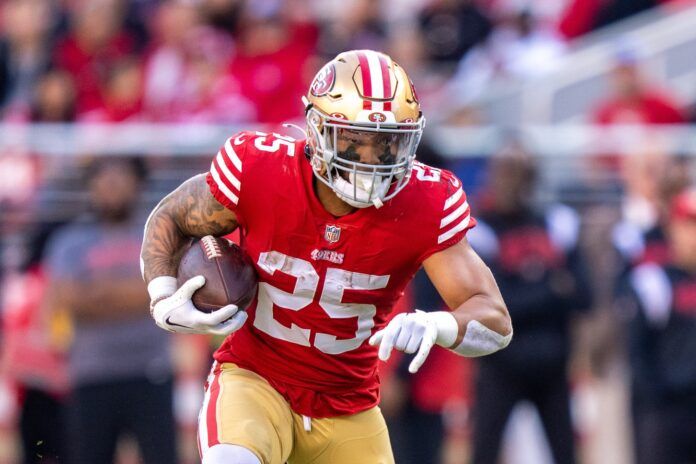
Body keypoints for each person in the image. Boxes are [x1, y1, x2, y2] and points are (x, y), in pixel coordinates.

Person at [140, 49, 512, 464]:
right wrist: (162, 295)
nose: (372, 159)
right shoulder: (263, 169)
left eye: (388, 143)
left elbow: (495, 322)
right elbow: (170, 217)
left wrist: (439, 324)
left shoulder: (425, 201)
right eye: (355, 140)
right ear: (317, 131)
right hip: (255, 380)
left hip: (348, 405)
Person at [43, 157, 177, 464]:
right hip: (90, 376)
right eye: (103, 178)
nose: (111, 185)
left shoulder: (157, 234)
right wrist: (139, 290)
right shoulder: (69, 241)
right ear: (91, 187)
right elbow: (67, 299)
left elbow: (168, 291)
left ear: (138, 184)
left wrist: (98, 291)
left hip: (151, 372)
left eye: (120, 177)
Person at [467, 148, 591, 464]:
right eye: (502, 172)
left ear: (530, 180)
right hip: (500, 364)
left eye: (516, 173)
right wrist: (550, 288)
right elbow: (493, 307)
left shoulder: (557, 223)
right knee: (484, 450)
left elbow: (583, 296)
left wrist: (524, 294)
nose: (507, 183)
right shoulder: (479, 230)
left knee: (566, 452)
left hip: (553, 364)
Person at [621, 187, 696, 464]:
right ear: (673, 228)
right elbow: (638, 352)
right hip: (669, 412)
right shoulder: (652, 281)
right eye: (689, 225)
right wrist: (658, 400)